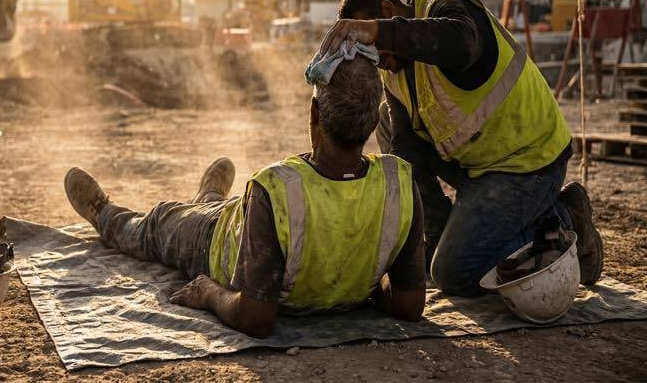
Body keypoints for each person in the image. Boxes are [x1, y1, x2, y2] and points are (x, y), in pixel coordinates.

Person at [63, 55, 426, 337]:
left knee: (159, 221)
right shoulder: (400, 183)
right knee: (222, 211)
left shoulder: (276, 187)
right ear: (373, 121)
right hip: (244, 219)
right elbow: (410, 305)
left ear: (314, 112)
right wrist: (353, 283)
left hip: (215, 239)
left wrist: (209, 294)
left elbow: (255, 318)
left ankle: (104, 213)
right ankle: (209, 197)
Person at [318, 0, 603, 297]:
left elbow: (461, 44)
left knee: (454, 273)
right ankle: (438, 232)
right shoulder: (393, 68)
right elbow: (406, 147)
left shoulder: (450, 9)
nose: (374, 57)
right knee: (387, 122)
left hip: (527, 163)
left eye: (371, 44)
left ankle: (564, 217)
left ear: (387, 13)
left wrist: (376, 32)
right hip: (476, 163)